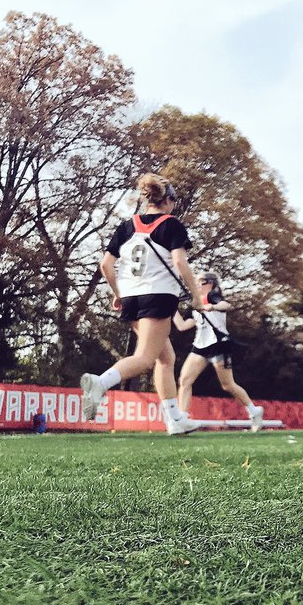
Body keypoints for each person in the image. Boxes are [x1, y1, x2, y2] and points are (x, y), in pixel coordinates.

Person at [79, 173, 204, 435]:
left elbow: (106, 265)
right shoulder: (172, 225)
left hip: (132, 297)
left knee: (166, 357)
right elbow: (180, 263)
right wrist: (195, 296)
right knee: (145, 358)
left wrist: (118, 293)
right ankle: (100, 383)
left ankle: (174, 420)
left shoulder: (127, 226)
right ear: (168, 200)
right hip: (157, 297)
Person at [172, 272, 264, 432]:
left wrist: (212, 306)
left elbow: (225, 305)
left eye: (200, 281)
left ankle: (254, 411)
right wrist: (170, 308)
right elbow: (182, 326)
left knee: (227, 385)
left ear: (210, 284)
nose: (196, 284)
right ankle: (183, 419)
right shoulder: (195, 303)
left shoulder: (213, 296)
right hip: (200, 346)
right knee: (185, 380)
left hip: (218, 345)